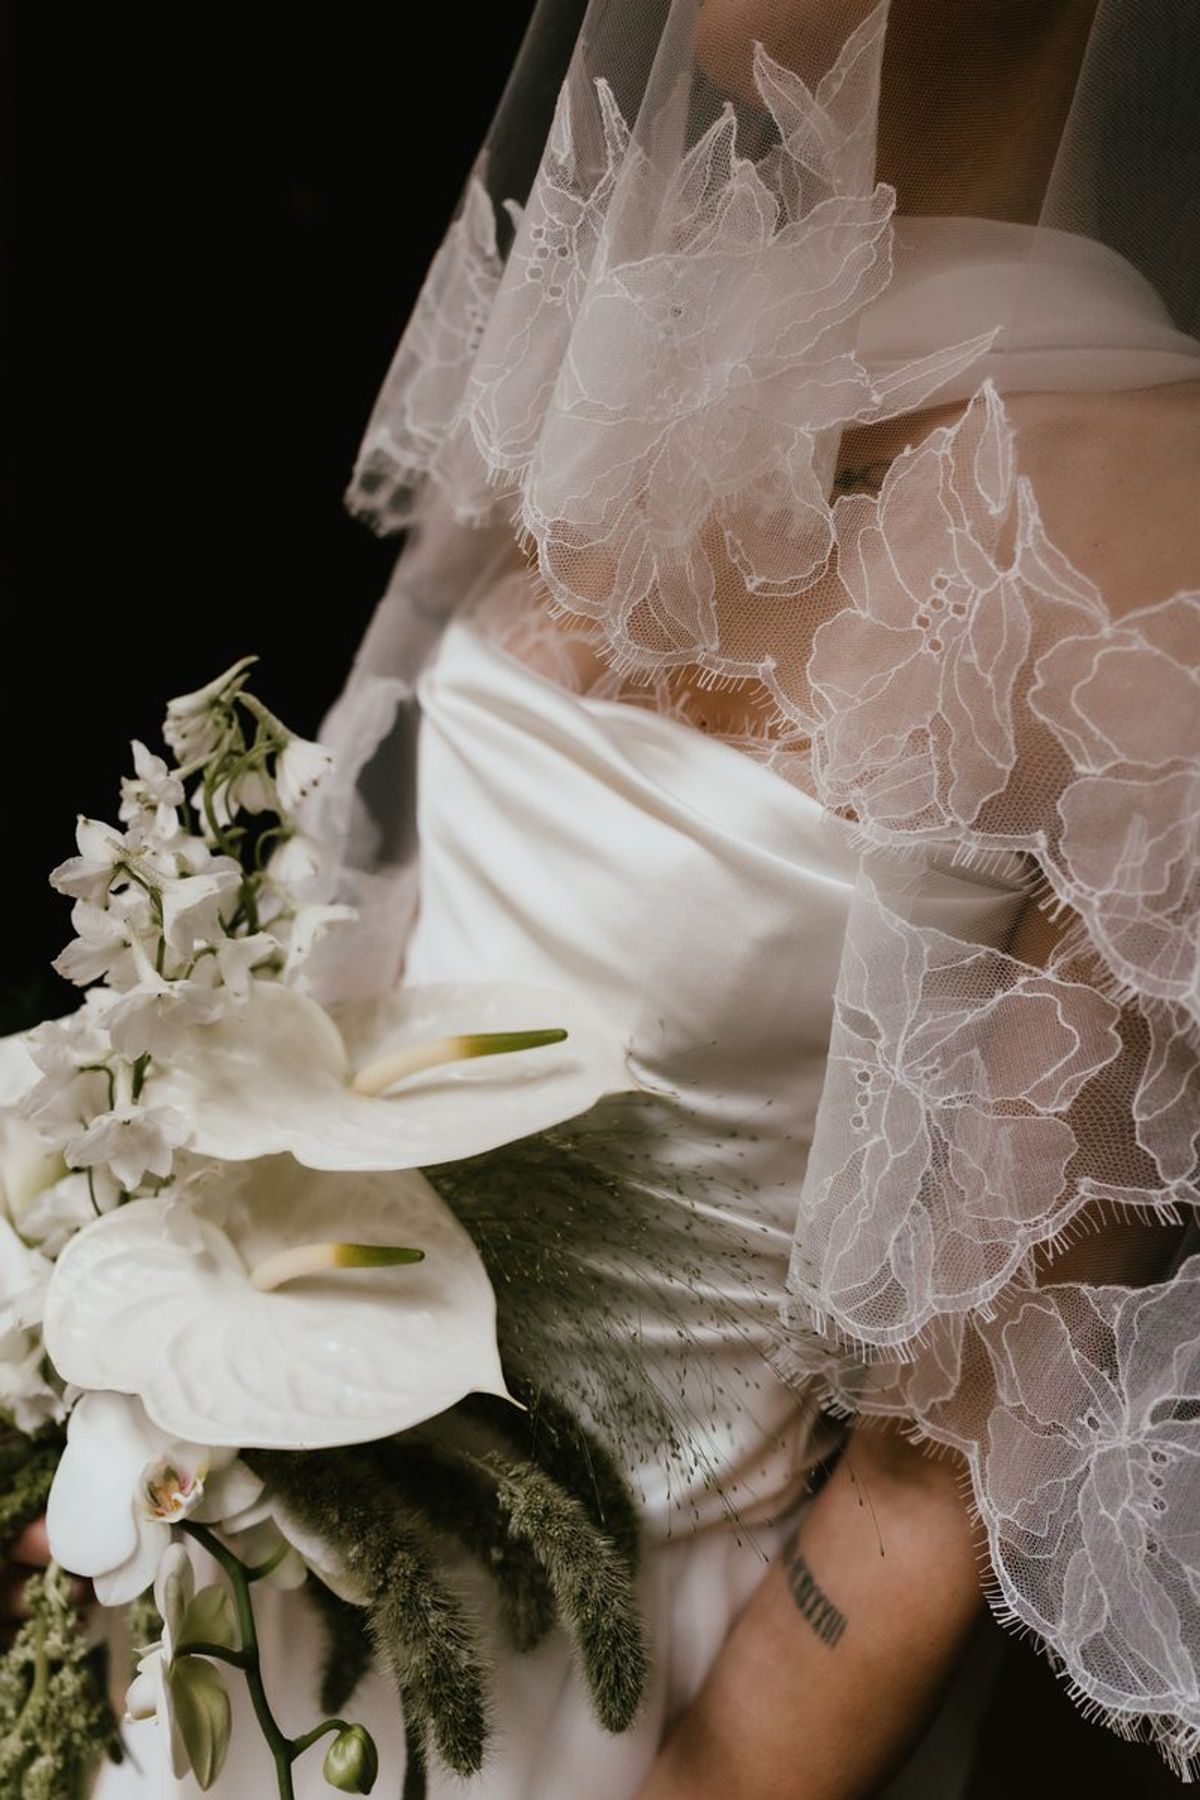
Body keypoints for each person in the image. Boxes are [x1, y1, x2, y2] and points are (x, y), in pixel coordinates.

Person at [11, 2, 1200, 1794]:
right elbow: (333, 957)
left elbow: (928, 1483)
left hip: (592, 1700)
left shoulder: (1159, 539)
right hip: (205, 1581)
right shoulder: (641, 323)